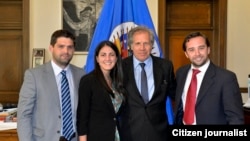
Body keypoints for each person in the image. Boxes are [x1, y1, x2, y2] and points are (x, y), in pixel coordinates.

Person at [17, 29, 85, 141]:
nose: (66, 51)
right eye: (61, 46)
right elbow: (24, 115)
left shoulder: (81, 74)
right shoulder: (34, 75)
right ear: (51, 48)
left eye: (70, 47)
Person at [174, 31, 244, 125]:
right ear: (186, 54)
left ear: (208, 49)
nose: (197, 53)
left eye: (201, 48)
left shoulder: (226, 78)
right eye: (191, 50)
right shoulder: (180, 73)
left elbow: (235, 118)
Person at [120, 26, 176, 141]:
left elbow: (176, 94)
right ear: (130, 46)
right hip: (129, 132)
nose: (142, 48)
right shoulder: (120, 67)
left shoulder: (166, 66)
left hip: (159, 132)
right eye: (138, 43)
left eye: (146, 43)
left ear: (152, 45)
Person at [77, 40, 126, 141]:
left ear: (116, 58)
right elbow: (82, 116)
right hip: (96, 136)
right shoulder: (88, 81)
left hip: (117, 136)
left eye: (111, 55)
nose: (107, 58)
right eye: (103, 55)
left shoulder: (118, 81)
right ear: (97, 59)